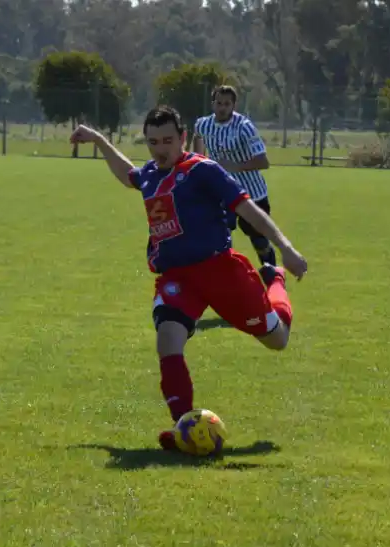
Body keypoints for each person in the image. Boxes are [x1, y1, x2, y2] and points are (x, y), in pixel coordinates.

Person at [69, 105, 308, 452]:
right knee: (167, 341)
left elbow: (247, 208)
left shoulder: (202, 170)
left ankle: (274, 281)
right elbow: (128, 175)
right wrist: (99, 140)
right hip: (177, 277)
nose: (160, 149)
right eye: (153, 142)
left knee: (278, 340)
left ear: (183, 138)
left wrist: (284, 247)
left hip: (220, 271)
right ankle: (183, 428)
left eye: (167, 140)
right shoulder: (150, 174)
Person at [194, 85, 276, 267]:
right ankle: (223, 276)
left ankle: (273, 277)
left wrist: (236, 166)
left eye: (227, 104)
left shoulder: (244, 127)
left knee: (259, 240)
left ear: (234, 106)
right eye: (219, 103)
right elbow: (198, 142)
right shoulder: (203, 124)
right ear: (213, 103)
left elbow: (263, 161)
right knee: (220, 234)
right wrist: (199, 164)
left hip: (252, 194)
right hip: (222, 191)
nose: (222, 107)